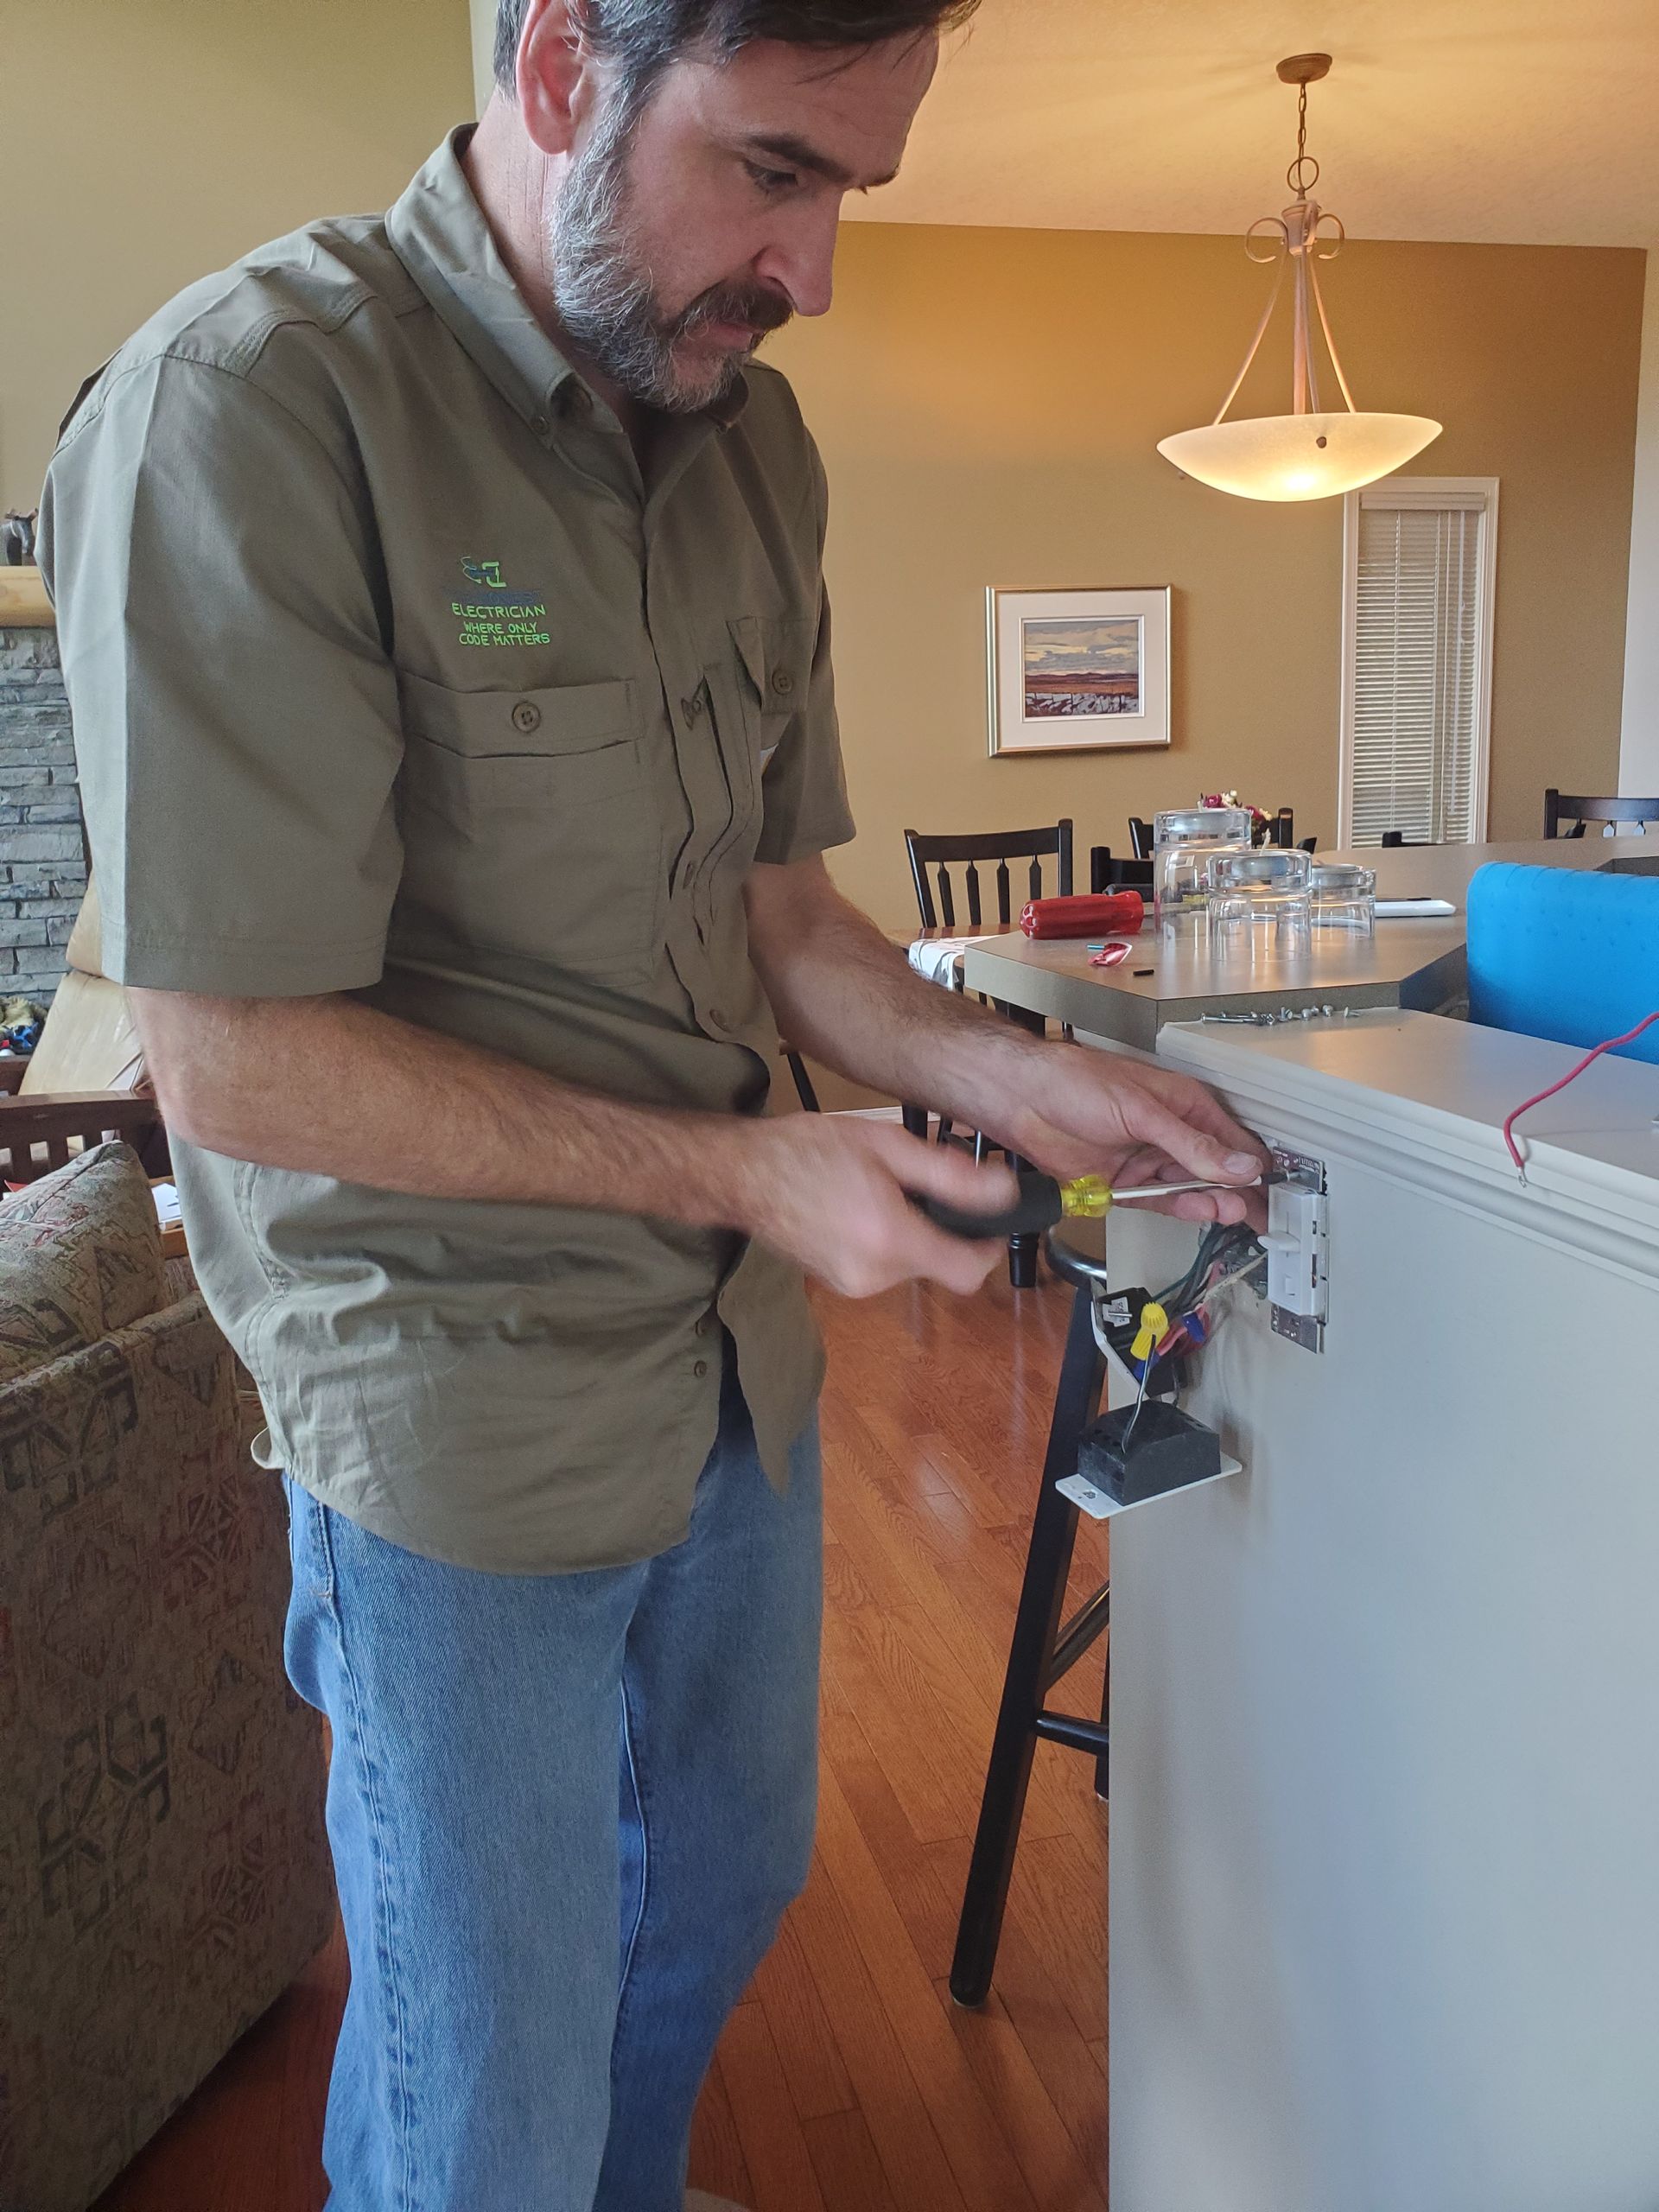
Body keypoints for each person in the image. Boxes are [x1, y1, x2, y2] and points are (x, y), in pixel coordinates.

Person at [40, 3, 1266, 2205]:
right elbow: (230, 1053)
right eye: (777, 171)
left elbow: (786, 913)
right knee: (477, 2072)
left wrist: (1023, 1069)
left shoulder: (752, 448)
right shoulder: (252, 408)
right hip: (448, 1404)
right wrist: (750, 1164)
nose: (816, 275)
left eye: (851, 193)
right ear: (559, 74)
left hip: (728, 1365)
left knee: (711, 1902)